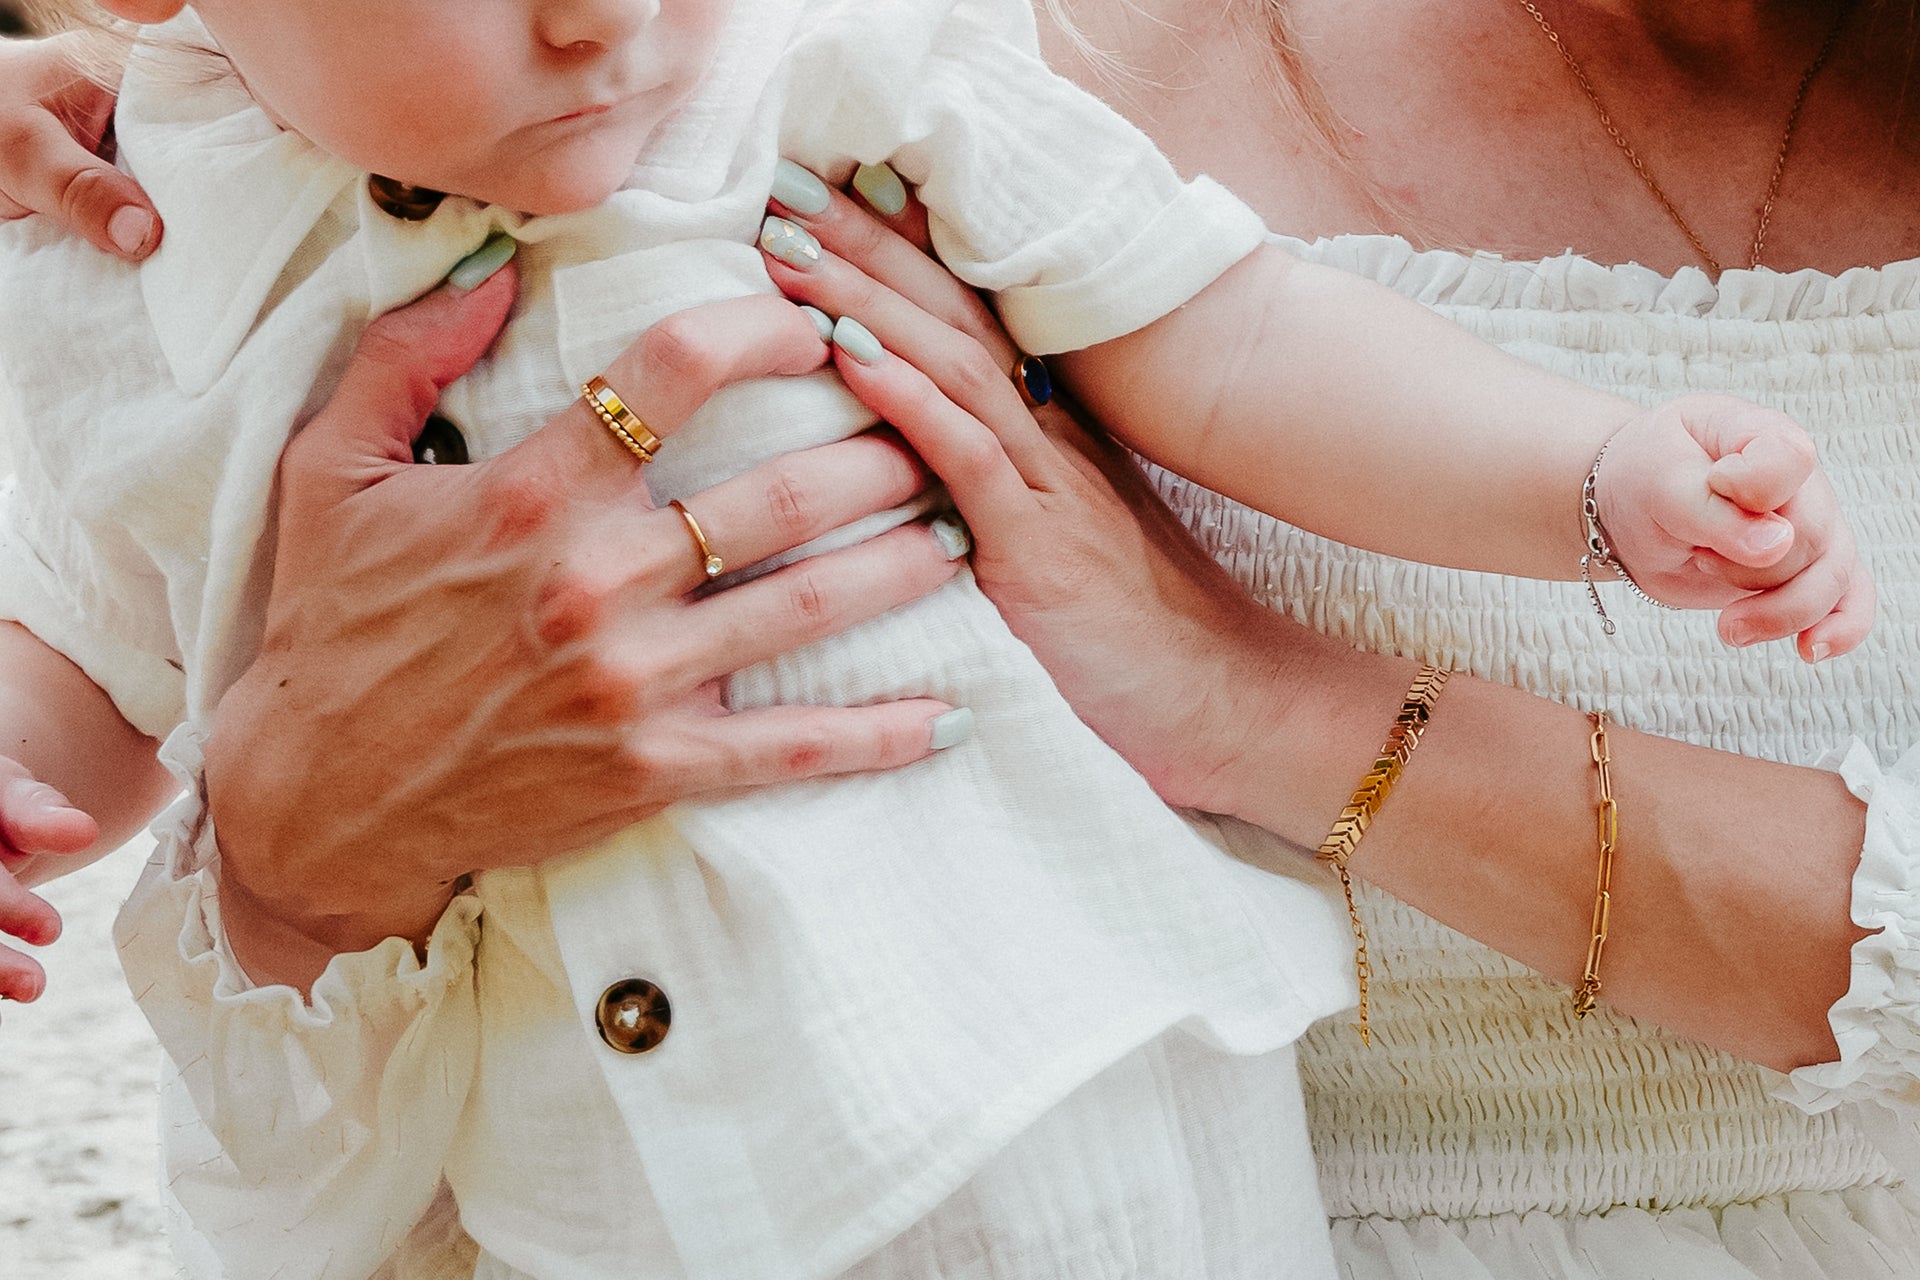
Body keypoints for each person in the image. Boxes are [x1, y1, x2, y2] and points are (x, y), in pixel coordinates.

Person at [0, 5, 1912, 1280]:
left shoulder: (831, 65)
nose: (599, 18)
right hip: (592, 1186)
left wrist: (1591, 483)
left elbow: (1230, 339)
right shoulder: (129, 258)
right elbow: (85, 653)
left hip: (1069, 1116)